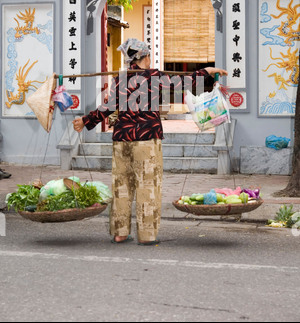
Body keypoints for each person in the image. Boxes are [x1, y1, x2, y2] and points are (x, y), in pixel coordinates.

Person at [73, 38, 227, 245]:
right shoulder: (154, 76)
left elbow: (108, 106)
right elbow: (185, 82)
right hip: (146, 139)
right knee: (148, 186)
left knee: (122, 187)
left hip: (122, 140)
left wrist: (85, 120)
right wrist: (206, 71)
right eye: (149, 55)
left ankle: (120, 232)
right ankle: (147, 235)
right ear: (144, 57)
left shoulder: (120, 79)